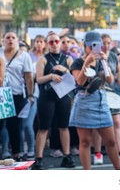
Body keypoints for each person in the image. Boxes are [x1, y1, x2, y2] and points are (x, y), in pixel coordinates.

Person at [69, 31, 120, 170]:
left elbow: (110, 80)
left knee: (110, 141)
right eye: (90, 45)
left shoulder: (101, 60)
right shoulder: (78, 62)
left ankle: (119, 170)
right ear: (85, 46)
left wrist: (104, 62)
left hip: (100, 100)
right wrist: (86, 63)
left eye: (97, 45)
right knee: (85, 141)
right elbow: (80, 81)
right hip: (84, 100)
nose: (93, 48)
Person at [32, 32, 75, 170]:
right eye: (51, 42)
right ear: (47, 44)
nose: (55, 44)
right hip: (47, 96)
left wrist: (65, 70)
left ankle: (67, 156)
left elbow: (76, 79)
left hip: (63, 96)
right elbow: (38, 79)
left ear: (60, 42)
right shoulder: (43, 59)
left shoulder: (67, 59)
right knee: (44, 127)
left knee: (64, 126)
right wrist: (51, 76)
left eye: (57, 41)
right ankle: (38, 159)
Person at [91, 33, 120, 165]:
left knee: (117, 121)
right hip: (98, 91)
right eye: (103, 43)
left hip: (112, 91)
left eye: (108, 43)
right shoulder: (95, 57)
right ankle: (97, 153)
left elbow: (118, 69)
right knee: (99, 123)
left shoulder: (113, 56)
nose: (105, 45)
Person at [0, 31, 34, 161]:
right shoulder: (0, 53)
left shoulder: (24, 56)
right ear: (3, 40)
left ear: (17, 40)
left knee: (14, 125)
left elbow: (29, 77)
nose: (10, 40)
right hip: (1, 93)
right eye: (7, 37)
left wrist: (30, 95)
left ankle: (16, 153)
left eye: (13, 37)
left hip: (16, 94)